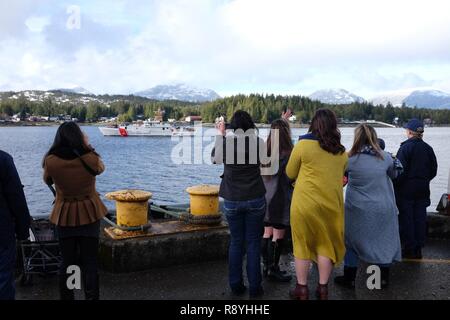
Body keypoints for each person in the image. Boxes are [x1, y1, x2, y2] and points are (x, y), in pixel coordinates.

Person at [286, 108, 348, 300]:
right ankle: (322, 289)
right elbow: (340, 176)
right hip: (331, 205)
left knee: (302, 245)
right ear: (333, 126)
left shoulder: (303, 145)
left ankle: (301, 289)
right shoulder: (342, 152)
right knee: (326, 245)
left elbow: (289, 172)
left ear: (314, 123)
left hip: (304, 204)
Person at [43, 122, 107, 300]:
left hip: (64, 214)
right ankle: (91, 298)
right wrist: (87, 147)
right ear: (79, 136)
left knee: (67, 262)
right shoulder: (90, 157)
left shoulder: (50, 160)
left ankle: (68, 297)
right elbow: (100, 169)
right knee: (90, 262)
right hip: (90, 212)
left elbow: (46, 179)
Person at [334, 124, 403, 289]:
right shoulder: (386, 157)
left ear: (356, 137)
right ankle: (381, 280)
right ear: (374, 137)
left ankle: (349, 278)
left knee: (352, 242)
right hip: (382, 207)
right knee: (383, 241)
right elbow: (396, 174)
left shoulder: (348, 158)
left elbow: (338, 178)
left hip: (356, 208)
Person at [212, 110, 267, 298]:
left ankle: (235, 284)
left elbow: (214, 159)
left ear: (232, 126)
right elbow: (267, 163)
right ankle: (255, 287)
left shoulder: (226, 143)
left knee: (236, 242)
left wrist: (220, 135)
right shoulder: (258, 143)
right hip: (255, 197)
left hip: (232, 199)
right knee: (253, 242)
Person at [394, 119, 438, 259]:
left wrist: (396, 185)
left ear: (410, 132)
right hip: (423, 188)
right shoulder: (428, 148)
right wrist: (424, 180)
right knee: (420, 217)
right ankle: (418, 248)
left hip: (406, 190)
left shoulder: (405, 148)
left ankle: (409, 248)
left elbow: (399, 171)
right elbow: (433, 170)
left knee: (407, 218)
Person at [261, 115, 293, 283]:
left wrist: (282, 121)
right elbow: (291, 177)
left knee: (267, 232)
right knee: (278, 235)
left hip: (264, 198)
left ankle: (266, 266)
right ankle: (273, 269)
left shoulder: (264, 152)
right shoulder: (289, 154)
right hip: (280, 198)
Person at [0, 151, 30, 300]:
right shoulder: (3, 160)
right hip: (2, 232)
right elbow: (16, 199)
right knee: (3, 281)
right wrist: (23, 231)